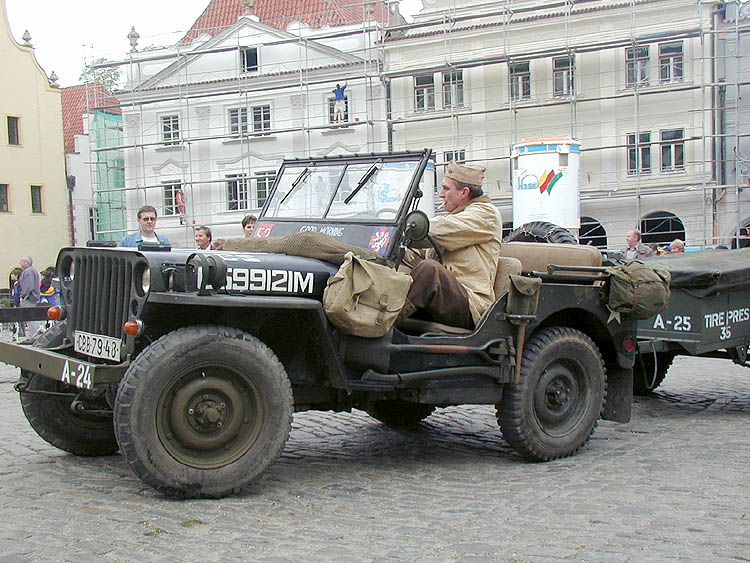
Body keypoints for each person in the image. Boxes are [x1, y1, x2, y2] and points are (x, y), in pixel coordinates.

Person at [400, 161, 502, 330]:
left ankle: (382, 324)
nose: (441, 195)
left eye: (446, 189)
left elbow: (439, 229)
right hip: (447, 298)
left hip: (472, 305)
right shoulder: (456, 216)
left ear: (464, 192)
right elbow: (423, 248)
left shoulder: (486, 214)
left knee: (430, 271)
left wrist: (402, 229)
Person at [18, 256, 42, 339]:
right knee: (31, 316)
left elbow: (28, 285)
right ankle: (34, 334)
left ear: (26, 263)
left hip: (29, 298)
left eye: (21, 261)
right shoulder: (32, 270)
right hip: (32, 297)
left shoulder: (28, 271)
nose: (20, 263)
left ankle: (33, 336)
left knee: (29, 316)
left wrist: (24, 295)